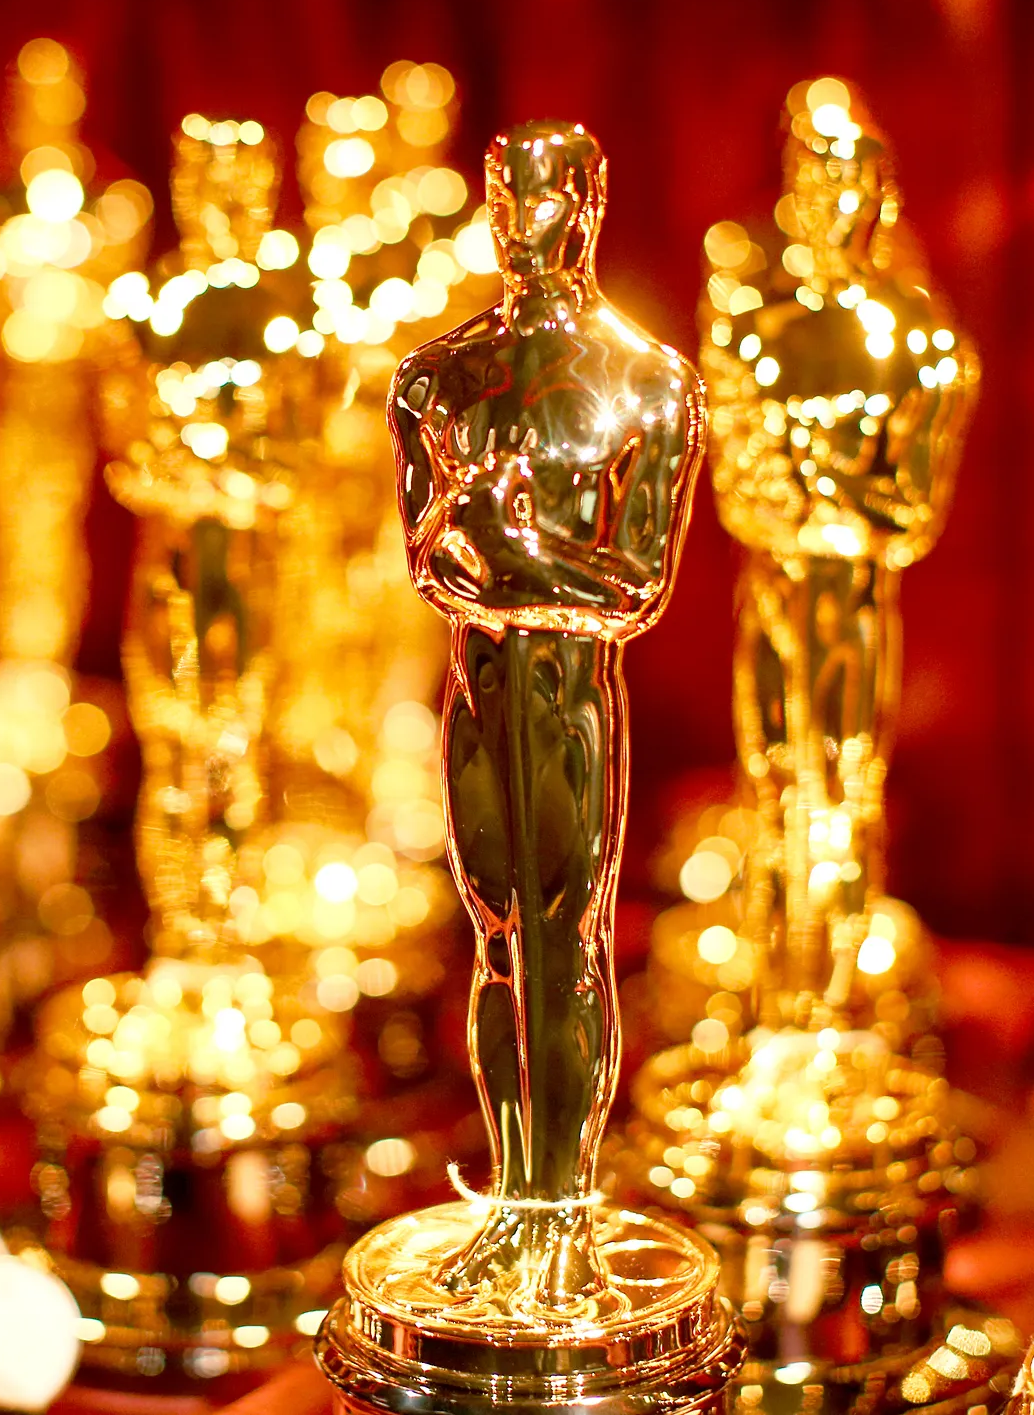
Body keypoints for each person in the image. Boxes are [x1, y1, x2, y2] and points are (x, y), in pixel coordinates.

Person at [387, 120, 705, 1308]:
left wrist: (511, 549)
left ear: (591, 201)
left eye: (551, 193)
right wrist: (514, 560)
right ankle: (513, 1199)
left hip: (569, 692)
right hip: (476, 685)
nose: (528, 216)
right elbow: (431, 564)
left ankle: (560, 1206)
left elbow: (636, 586)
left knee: (565, 945)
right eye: (508, 193)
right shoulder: (435, 376)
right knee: (493, 938)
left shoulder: (648, 381)